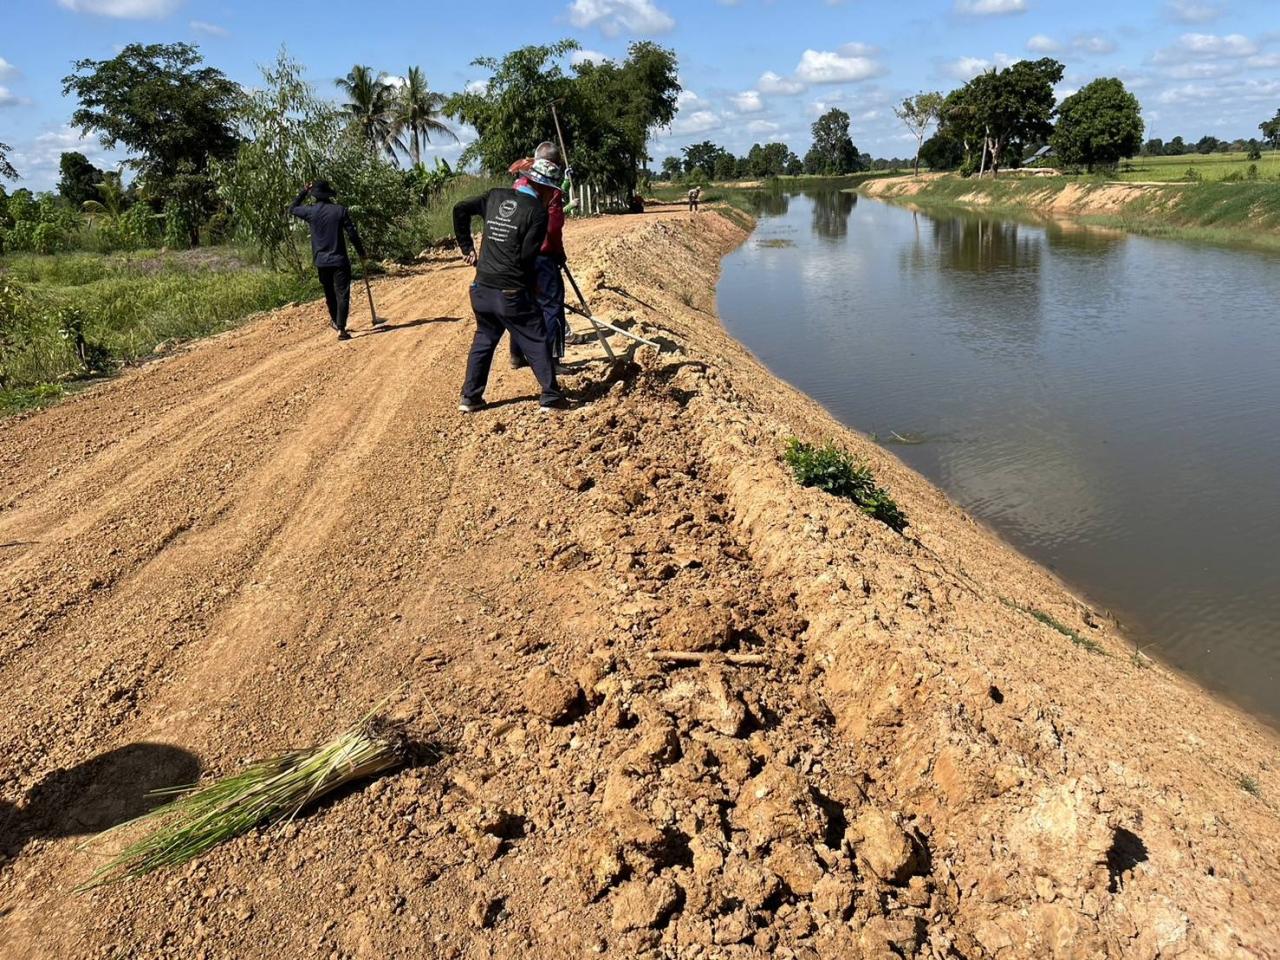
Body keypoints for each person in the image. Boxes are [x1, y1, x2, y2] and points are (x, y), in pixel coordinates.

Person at [453, 157, 568, 414]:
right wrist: (531, 289)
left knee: (484, 338)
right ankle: (551, 395)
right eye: (552, 191)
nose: (552, 197)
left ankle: (470, 398)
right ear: (543, 188)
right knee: (536, 335)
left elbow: (460, 208)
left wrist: (466, 247)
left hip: (481, 288)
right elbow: (527, 258)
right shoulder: (537, 213)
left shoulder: (494, 197)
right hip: (510, 292)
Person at [509, 142, 570, 372]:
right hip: (542, 255)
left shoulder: (519, 183)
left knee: (524, 302)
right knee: (552, 304)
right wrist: (559, 253)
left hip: (517, 254)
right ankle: (552, 360)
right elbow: (553, 228)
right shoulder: (550, 191)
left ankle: (516, 354)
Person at [288, 180, 368, 341]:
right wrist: (361, 253)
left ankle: (336, 321)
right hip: (339, 260)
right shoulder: (340, 211)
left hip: (321, 261)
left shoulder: (311, 212)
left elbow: (292, 208)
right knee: (342, 294)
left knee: (329, 294)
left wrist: (303, 192)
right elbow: (352, 233)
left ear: (315, 195)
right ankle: (341, 328)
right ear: (329, 194)